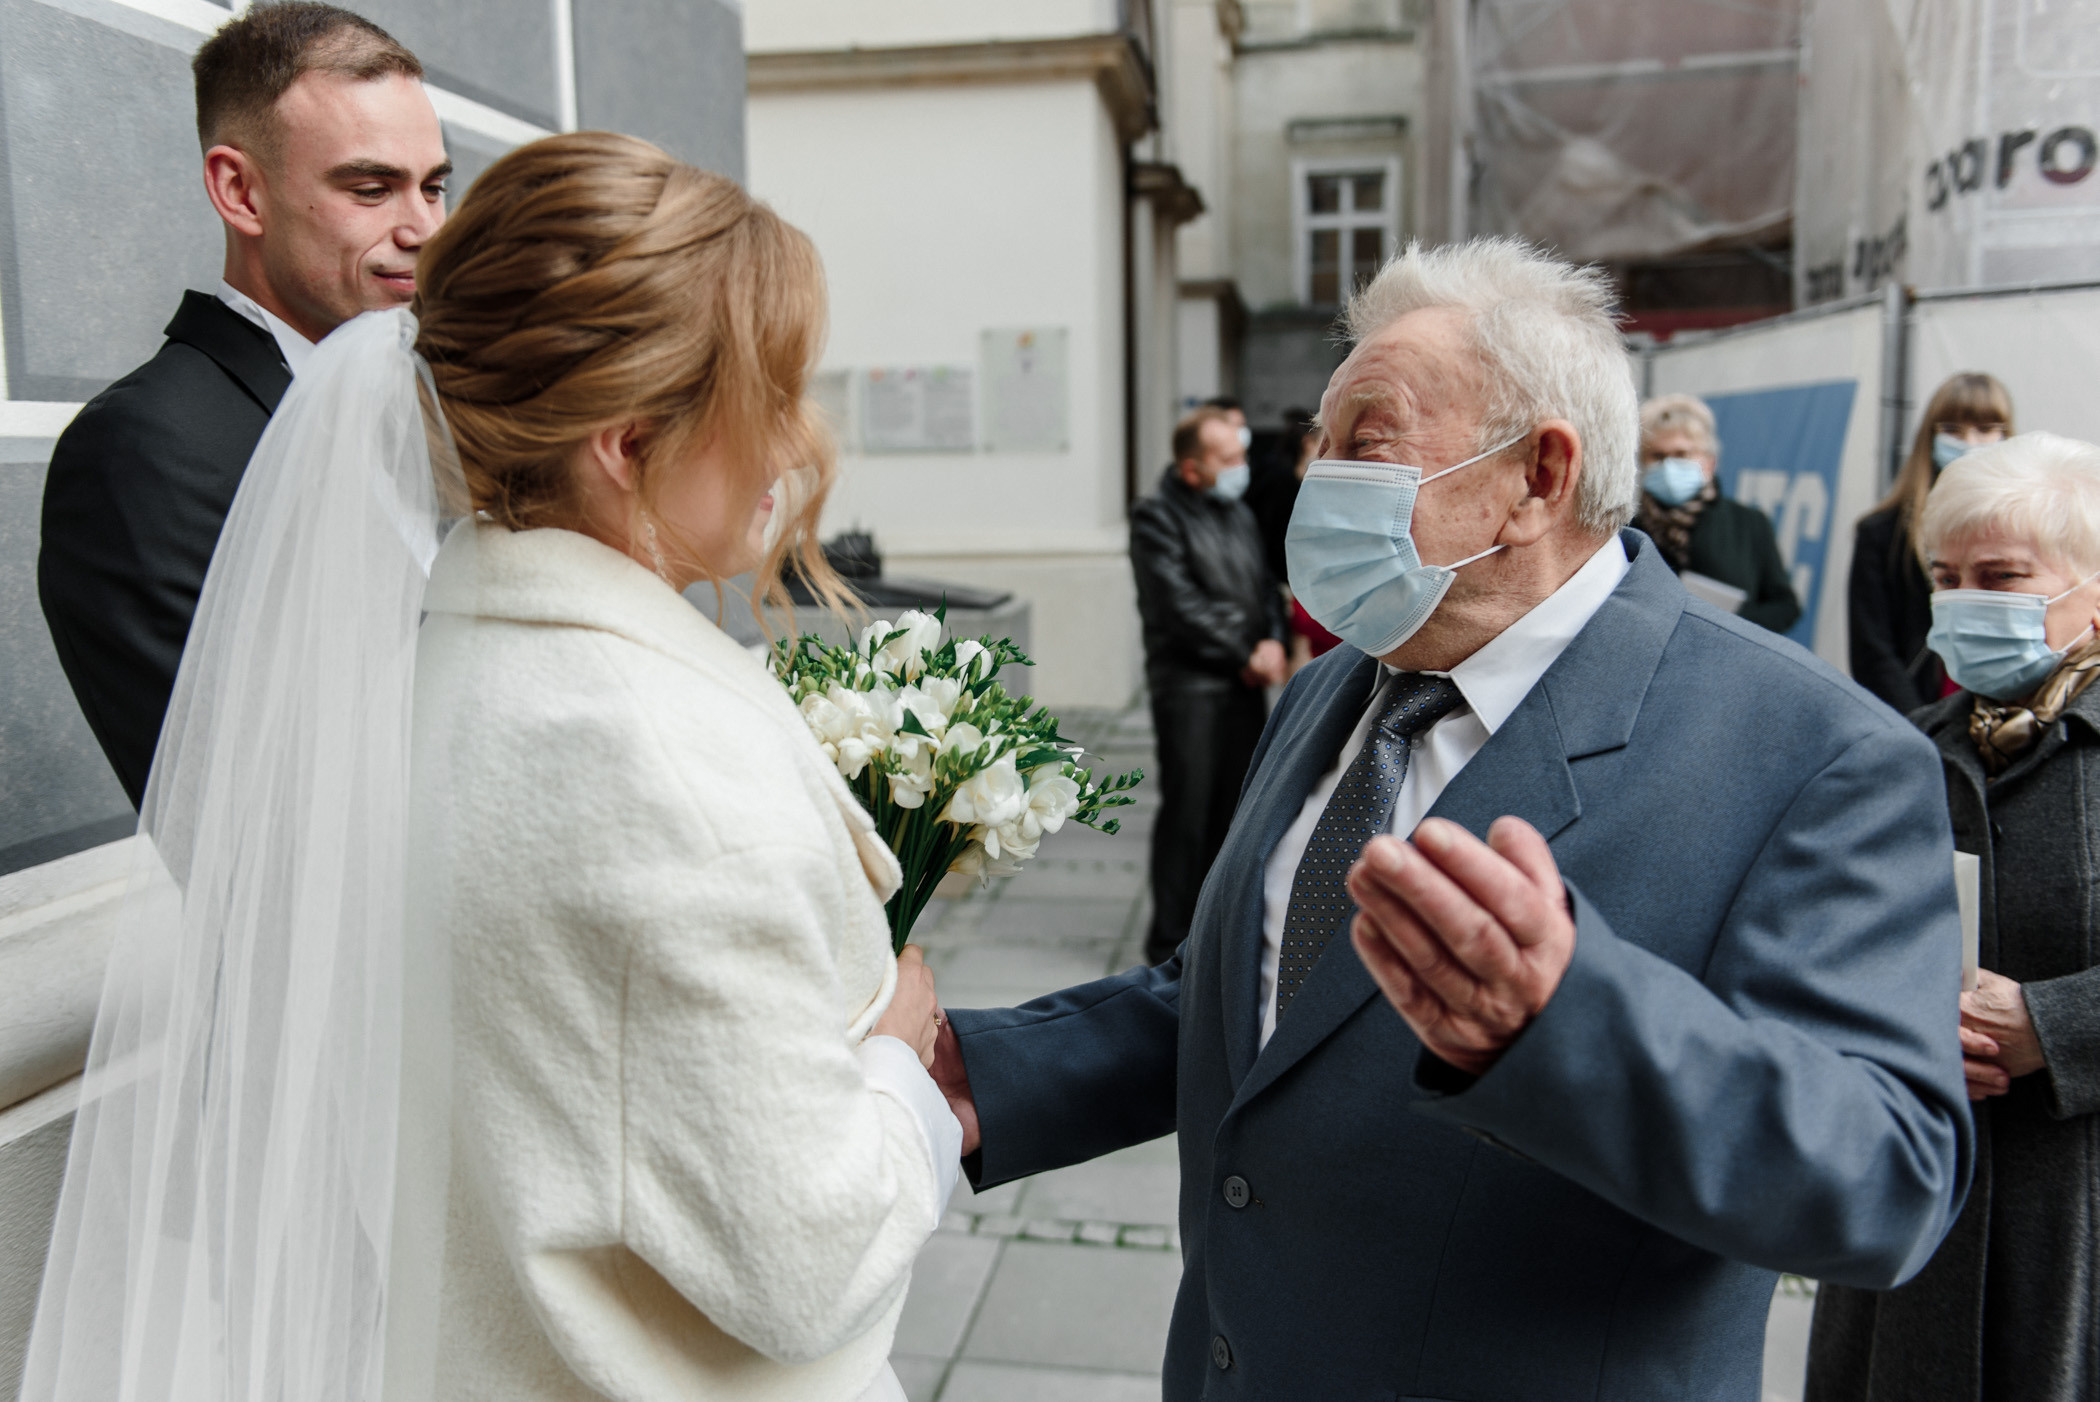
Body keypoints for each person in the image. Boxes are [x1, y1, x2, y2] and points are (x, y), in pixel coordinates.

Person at [929, 239, 1969, 1400]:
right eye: (1320, 445)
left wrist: (1565, 1027)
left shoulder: (1816, 755)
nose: (1316, 480)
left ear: (1538, 476)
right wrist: (984, 1075)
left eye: (1365, 443)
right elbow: (1257, 994)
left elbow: (1888, 1182)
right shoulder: (1344, 682)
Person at [23, 134, 958, 1402]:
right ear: (627, 440)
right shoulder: (665, 762)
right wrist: (906, 1071)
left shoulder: (425, 675)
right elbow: (805, 1260)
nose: (799, 440)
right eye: (774, 388)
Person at [37, 1, 448, 806]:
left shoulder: (443, 407)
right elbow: (241, 818)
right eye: (372, 189)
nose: (424, 227)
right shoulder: (142, 451)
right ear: (241, 193)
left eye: (433, 187)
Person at [1809, 432, 2100, 1402]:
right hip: (1913, 1211)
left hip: (2072, 1217)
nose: (1968, 599)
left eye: (2004, 575)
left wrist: (2050, 1028)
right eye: (1949, 576)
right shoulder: (1897, 753)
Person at [1131, 406, 1289, 965]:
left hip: (1244, 685)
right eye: (1228, 459)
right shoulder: (1156, 518)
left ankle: (1213, 935)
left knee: (1235, 814)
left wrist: (1272, 639)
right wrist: (1244, 651)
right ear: (1192, 468)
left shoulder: (1236, 512)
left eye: (1240, 455)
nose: (1241, 467)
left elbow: (1264, 587)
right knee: (1189, 816)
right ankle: (1165, 944)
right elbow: (1179, 606)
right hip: (1191, 692)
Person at [1848, 372, 2015, 712]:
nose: (1970, 442)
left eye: (1985, 429)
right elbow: (1872, 650)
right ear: (1930, 436)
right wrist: (1922, 727)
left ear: (2007, 435)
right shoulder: (1882, 533)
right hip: (1917, 713)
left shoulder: (2024, 532)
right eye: (1953, 430)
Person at [1634, 392, 1800, 632]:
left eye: (1682, 454)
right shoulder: (1629, 530)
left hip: (1731, 658)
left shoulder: (1748, 524)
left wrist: (1732, 623)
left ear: (1709, 462)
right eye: (1657, 456)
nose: (1669, 466)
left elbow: (1785, 606)